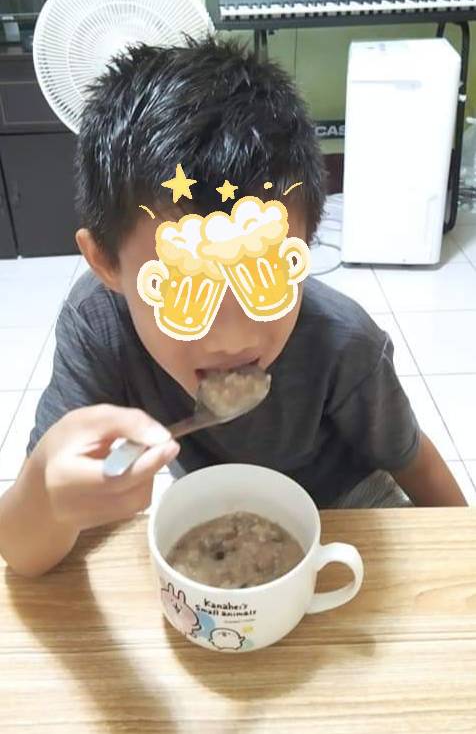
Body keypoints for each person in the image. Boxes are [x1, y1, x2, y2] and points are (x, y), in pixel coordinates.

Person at [0, 37, 466, 579]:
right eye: (183, 292)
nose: (230, 338)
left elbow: (415, 462)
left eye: (262, 281)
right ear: (107, 263)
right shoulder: (99, 329)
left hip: (352, 512)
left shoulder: (344, 341)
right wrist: (46, 493)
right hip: (221, 521)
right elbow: (22, 554)